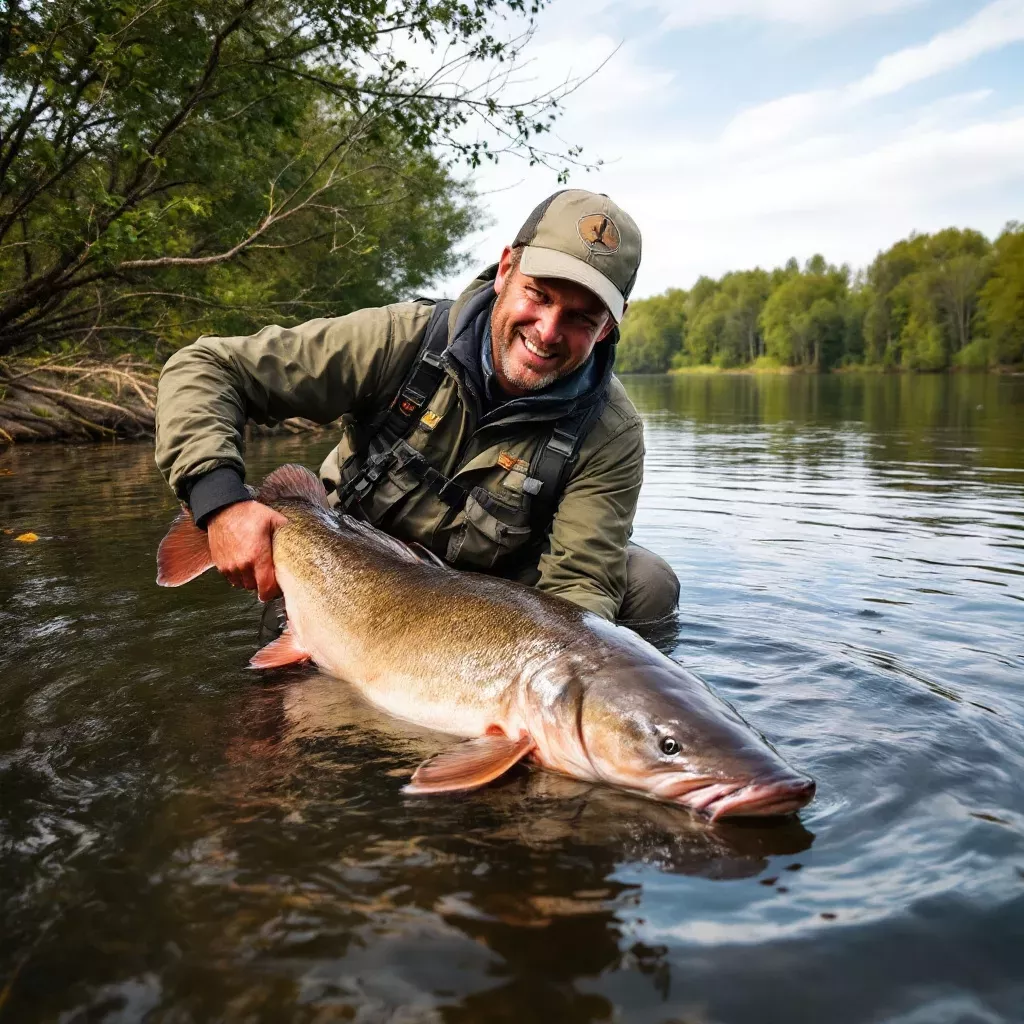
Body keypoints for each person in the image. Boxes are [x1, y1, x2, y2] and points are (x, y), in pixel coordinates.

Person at [155, 189, 680, 624]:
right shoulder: (401, 340)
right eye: (539, 295)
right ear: (505, 270)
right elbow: (207, 368)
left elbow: (580, 585)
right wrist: (221, 503)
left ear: (607, 327)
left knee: (647, 585)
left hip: (490, 607)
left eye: (581, 318)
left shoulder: (609, 431)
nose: (547, 331)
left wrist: (554, 687)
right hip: (349, 575)